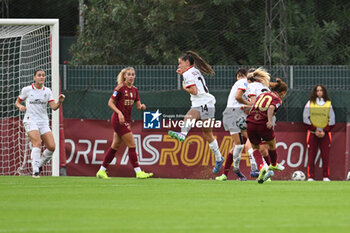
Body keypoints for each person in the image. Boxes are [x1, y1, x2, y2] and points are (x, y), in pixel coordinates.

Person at [168, 51, 224, 173]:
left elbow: (193, 91)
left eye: (180, 63)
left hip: (202, 103)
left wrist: (184, 87)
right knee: (208, 134)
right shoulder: (194, 70)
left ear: (187, 62)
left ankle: (183, 134)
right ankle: (219, 159)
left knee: (189, 117)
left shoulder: (187, 74)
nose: (179, 66)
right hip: (206, 103)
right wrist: (183, 73)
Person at [96, 67, 153, 179]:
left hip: (126, 120)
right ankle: (138, 172)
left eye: (133, 74)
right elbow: (110, 103)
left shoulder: (135, 90)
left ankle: (101, 171)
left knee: (115, 146)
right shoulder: (120, 88)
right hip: (118, 120)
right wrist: (119, 113)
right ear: (125, 76)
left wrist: (142, 107)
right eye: (129, 74)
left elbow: (137, 105)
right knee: (132, 144)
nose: (131, 76)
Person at [15, 69, 65, 178]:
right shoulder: (27, 90)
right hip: (30, 120)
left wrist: (60, 101)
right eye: (39, 75)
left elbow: (54, 107)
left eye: (43, 75)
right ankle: (35, 170)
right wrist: (20, 107)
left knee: (52, 147)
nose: (41, 77)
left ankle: (40, 164)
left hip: (43, 121)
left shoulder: (47, 91)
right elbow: (17, 102)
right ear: (34, 78)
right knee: (37, 143)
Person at [215, 68, 258, 181]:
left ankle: (229, 172)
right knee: (247, 142)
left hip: (239, 115)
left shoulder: (249, 85)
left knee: (237, 145)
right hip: (236, 115)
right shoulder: (244, 83)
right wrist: (249, 104)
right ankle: (254, 167)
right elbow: (239, 98)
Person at [246, 78, 288, 184]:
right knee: (272, 144)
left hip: (250, 122)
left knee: (255, 147)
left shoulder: (261, 95)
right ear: (282, 92)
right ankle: (273, 164)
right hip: (262, 124)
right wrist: (269, 121)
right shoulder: (277, 99)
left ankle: (262, 167)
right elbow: (271, 107)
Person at [303, 85, 335, 181]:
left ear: (324, 92)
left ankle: (326, 176)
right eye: (317, 90)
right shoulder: (310, 103)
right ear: (315, 92)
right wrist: (315, 130)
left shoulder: (328, 104)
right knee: (311, 155)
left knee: (325, 156)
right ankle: (311, 176)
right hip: (313, 133)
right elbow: (305, 118)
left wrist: (324, 130)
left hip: (325, 134)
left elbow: (332, 120)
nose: (319, 92)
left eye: (321, 90)